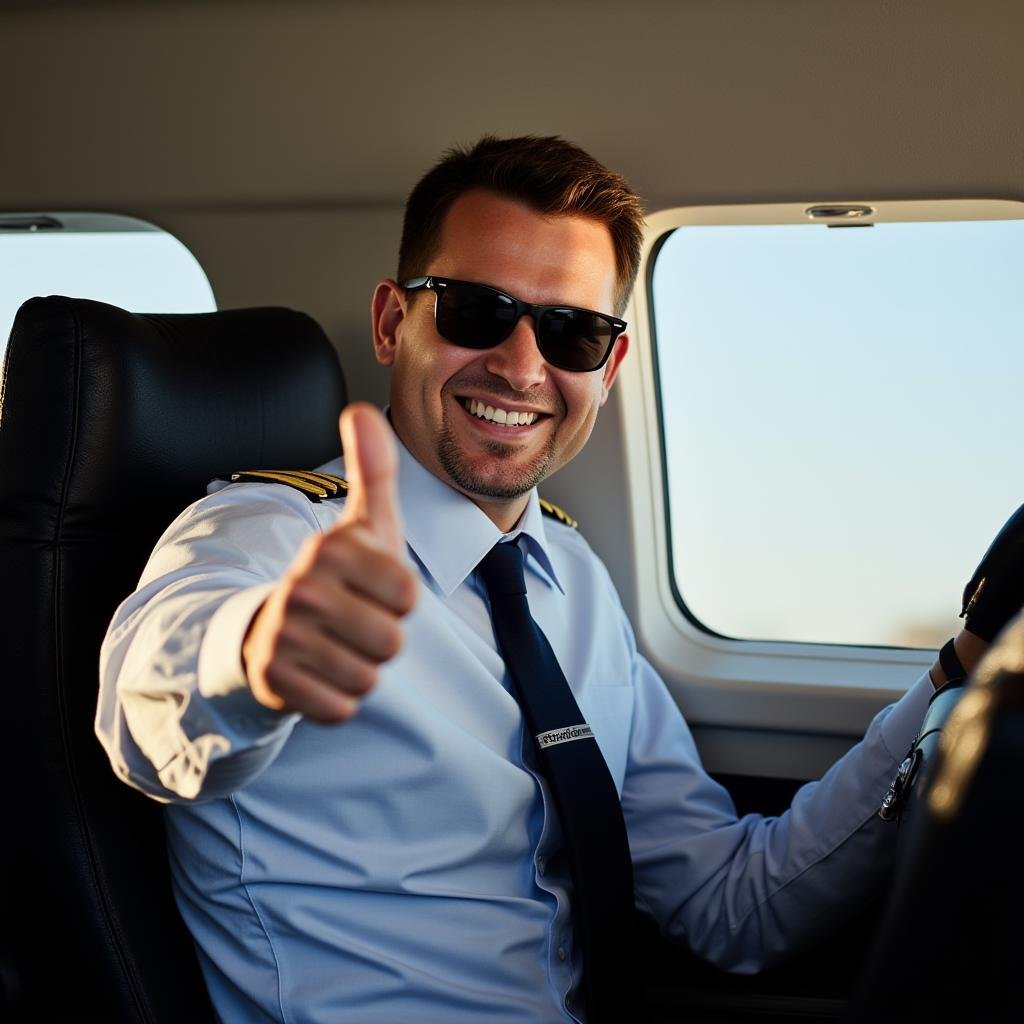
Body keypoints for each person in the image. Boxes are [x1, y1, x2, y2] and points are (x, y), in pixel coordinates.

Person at [96, 135, 992, 1023]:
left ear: (609, 366)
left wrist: (955, 677)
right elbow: (147, 711)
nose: (523, 367)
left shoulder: (569, 573)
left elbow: (730, 906)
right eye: (475, 312)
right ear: (390, 323)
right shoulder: (271, 537)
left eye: (571, 331)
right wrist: (259, 657)